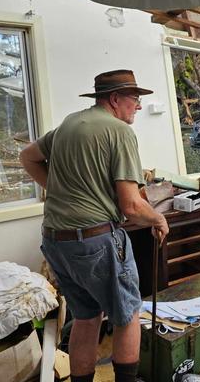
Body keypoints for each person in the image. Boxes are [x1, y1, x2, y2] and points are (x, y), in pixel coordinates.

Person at [19, 69, 169, 382]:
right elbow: (130, 206)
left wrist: (60, 190)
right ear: (115, 99)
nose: (139, 107)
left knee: (87, 317)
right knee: (128, 315)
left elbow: (28, 157)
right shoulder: (119, 131)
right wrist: (157, 217)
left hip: (56, 242)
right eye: (135, 99)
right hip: (95, 241)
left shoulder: (69, 124)